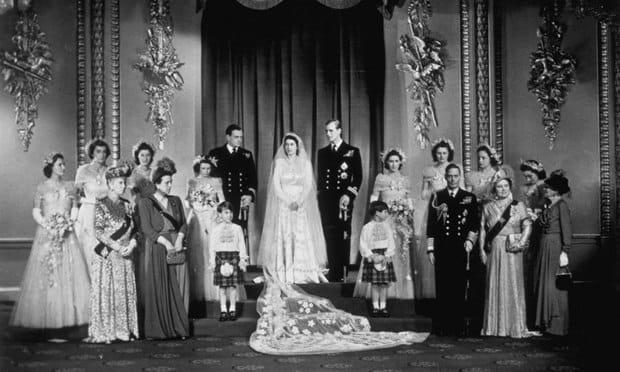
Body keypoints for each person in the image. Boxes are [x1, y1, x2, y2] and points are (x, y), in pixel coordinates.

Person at [10, 153, 90, 341]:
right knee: (50, 275)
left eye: (64, 164)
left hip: (67, 235)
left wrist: (69, 222)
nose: (63, 167)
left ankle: (68, 325)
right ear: (51, 167)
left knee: (68, 276)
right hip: (47, 235)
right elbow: (36, 211)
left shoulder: (69, 186)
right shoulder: (42, 187)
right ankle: (50, 325)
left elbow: (75, 207)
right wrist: (50, 226)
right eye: (60, 164)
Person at [257, 133, 329, 284]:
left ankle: (300, 271)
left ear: (297, 146)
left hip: (299, 206)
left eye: (292, 145)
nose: (289, 147)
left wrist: (299, 201)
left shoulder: (305, 163)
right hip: (284, 205)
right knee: (285, 235)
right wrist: (287, 201)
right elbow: (276, 185)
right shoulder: (280, 163)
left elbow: (308, 185)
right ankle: (284, 270)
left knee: (299, 235)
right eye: (287, 145)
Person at [86, 162, 139, 343]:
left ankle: (125, 331)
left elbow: (135, 230)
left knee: (124, 293)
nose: (123, 186)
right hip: (107, 255)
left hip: (126, 256)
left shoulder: (127, 206)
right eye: (119, 183)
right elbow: (98, 231)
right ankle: (108, 330)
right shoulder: (101, 204)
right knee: (108, 293)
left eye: (124, 183)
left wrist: (131, 245)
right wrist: (116, 247)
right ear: (109, 184)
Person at [138, 158, 189, 339]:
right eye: (167, 183)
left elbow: (183, 224)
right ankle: (159, 330)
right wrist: (167, 244)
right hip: (159, 248)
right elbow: (147, 229)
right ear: (157, 183)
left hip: (177, 245)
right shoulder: (145, 202)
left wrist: (179, 238)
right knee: (160, 288)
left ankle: (179, 327)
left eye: (171, 182)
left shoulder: (175, 200)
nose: (170, 186)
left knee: (179, 289)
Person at [354, 148, 414, 299]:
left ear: (401, 162)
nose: (393, 164)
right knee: (383, 250)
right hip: (384, 221)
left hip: (401, 221)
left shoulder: (405, 180)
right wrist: (376, 215)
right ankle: (380, 290)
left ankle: (400, 289)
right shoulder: (381, 178)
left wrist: (407, 209)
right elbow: (374, 198)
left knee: (400, 251)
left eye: (396, 161)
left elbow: (409, 200)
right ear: (386, 162)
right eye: (391, 161)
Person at [426, 164, 479, 336]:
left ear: (460, 177)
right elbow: (431, 225)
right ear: (445, 177)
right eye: (449, 176)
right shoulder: (437, 196)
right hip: (442, 247)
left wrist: (470, 242)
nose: (453, 179)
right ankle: (442, 325)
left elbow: (474, 223)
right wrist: (430, 249)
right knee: (442, 285)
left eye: (456, 176)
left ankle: (457, 324)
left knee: (459, 285)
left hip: (460, 247)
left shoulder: (469, 197)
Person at [479, 177, 533, 338]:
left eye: (505, 186)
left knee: (513, 283)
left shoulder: (518, 206)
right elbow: (482, 228)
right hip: (494, 248)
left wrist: (521, 242)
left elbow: (527, 225)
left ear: (510, 187)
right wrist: (481, 250)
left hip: (512, 248)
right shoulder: (487, 206)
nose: (502, 189)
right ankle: (494, 327)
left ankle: (514, 326)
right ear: (494, 189)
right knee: (494, 283)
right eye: (499, 187)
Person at [414, 138, 460, 299]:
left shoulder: (455, 169)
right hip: (435, 210)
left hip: (454, 210)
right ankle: (433, 288)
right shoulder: (428, 171)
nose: (441, 156)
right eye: (439, 153)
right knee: (435, 244)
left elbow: (463, 190)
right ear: (435, 154)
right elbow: (423, 194)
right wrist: (429, 187)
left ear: (449, 154)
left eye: (444, 153)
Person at [317, 119, 363, 281]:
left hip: (343, 200)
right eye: (326, 131)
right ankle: (333, 270)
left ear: (339, 131)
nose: (328, 134)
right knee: (329, 235)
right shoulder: (322, 153)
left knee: (343, 233)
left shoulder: (351, 151)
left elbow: (357, 178)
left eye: (331, 130)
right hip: (327, 201)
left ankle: (343, 270)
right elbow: (321, 179)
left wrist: (349, 195)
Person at [206, 124, 258, 248]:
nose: (239, 140)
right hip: (221, 198)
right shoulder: (216, 153)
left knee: (237, 231)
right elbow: (210, 178)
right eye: (236, 137)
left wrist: (250, 195)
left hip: (239, 199)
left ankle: (238, 261)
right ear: (228, 137)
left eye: (241, 137)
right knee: (220, 231)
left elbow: (252, 178)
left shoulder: (246, 154)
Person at [534, 170, 572, 336]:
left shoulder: (562, 205)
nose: (546, 190)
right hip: (544, 245)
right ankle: (545, 323)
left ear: (556, 190)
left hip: (556, 247)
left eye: (548, 188)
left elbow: (567, 230)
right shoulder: (548, 205)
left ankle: (556, 326)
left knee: (553, 285)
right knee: (543, 283)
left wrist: (565, 251)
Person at [186, 156, 226, 303]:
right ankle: (199, 290)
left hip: (212, 216)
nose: (206, 171)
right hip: (197, 216)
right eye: (203, 168)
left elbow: (221, 199)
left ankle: (215, 290)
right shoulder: (192, 181)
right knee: (198, 250)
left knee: (212, 249)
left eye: (208, 168)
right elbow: (187, 200)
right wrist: (195, 203)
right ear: (198, 168)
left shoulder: (216, 181)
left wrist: (217, 212)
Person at [518, 159, 546, 329]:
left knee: (537, 273)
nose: (527, 178)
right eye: (525, 176)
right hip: (525, 231)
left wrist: (535, 215)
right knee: (525, 273)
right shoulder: (522, 189)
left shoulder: (544, 187)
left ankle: (538, 316)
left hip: (540, 232)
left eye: (530, 175)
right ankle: (524, 315)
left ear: (537, 174)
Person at [209, 201, 249, 321]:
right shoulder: (216, 229)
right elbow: (212, 247)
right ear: (220, 214)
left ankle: (232, 309)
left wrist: (242, 259)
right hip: (220, 258)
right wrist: (212, 261)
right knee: (222, 287)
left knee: (232, 286)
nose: (229, 215)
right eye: (226, 212)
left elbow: (242, 244)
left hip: (233, 258)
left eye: (231, 212)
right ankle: (223, 310)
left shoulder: (237, 228)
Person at [358, 201, 396, 317]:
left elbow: (391, 242)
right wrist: (372, 256)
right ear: (376, 213)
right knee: (374, 284)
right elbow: (363, 244)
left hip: (384, 256)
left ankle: (383, 307)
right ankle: (375, 307)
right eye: (384, 212)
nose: (387, 214)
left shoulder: (387, 227)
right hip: (373, 256)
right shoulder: (367, 227)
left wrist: (387, 255)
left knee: (384, 284)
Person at [75, 139, 110, 267]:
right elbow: (75, 195)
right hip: (88, 213)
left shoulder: (110, 171)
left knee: (105, 246)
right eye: (98, 151)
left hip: (107, 213)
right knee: (89, 246)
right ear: (92, 153)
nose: (102, 155)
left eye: (104, 152)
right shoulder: (83, 170)